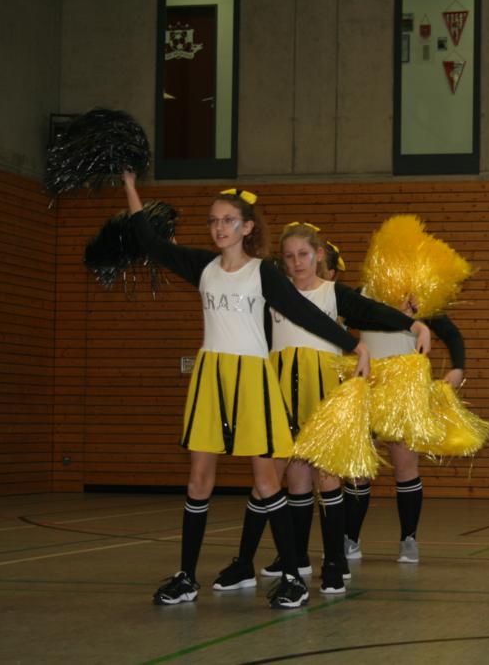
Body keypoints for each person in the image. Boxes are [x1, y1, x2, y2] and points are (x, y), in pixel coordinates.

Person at [121, 172, 369, 609]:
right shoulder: (203, 267)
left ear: (247, 227)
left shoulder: (263, 273)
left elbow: (303, 313)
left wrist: (353, 344)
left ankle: (292, 577)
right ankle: (186, 577)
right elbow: (152, 244)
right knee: (198, 479)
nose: (219, 227)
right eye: (214, 220)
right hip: (211, 375)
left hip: (253, 377)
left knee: (265, 479)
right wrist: (130, 187)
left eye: (228, 220)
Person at [216, 222, 430, 595]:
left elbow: (371, 310)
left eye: (303, 254)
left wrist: (414, 325)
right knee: (275, 479)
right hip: (280, 394)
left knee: (328, 478)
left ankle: (334, 562)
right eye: (289, 256)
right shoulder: (274, 295)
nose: (297, 262)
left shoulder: (333, 294)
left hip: (324, 394)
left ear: (318, 255)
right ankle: (259, 561)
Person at [343, 304, 466, 564]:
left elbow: (451, 333)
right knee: (357, 469)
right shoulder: (361, 296)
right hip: (366, 386)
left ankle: (408, 539)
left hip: (403, 391)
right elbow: (346, 320)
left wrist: (458, 367)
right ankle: (350, 539)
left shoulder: (418, 298)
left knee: (405, 466)